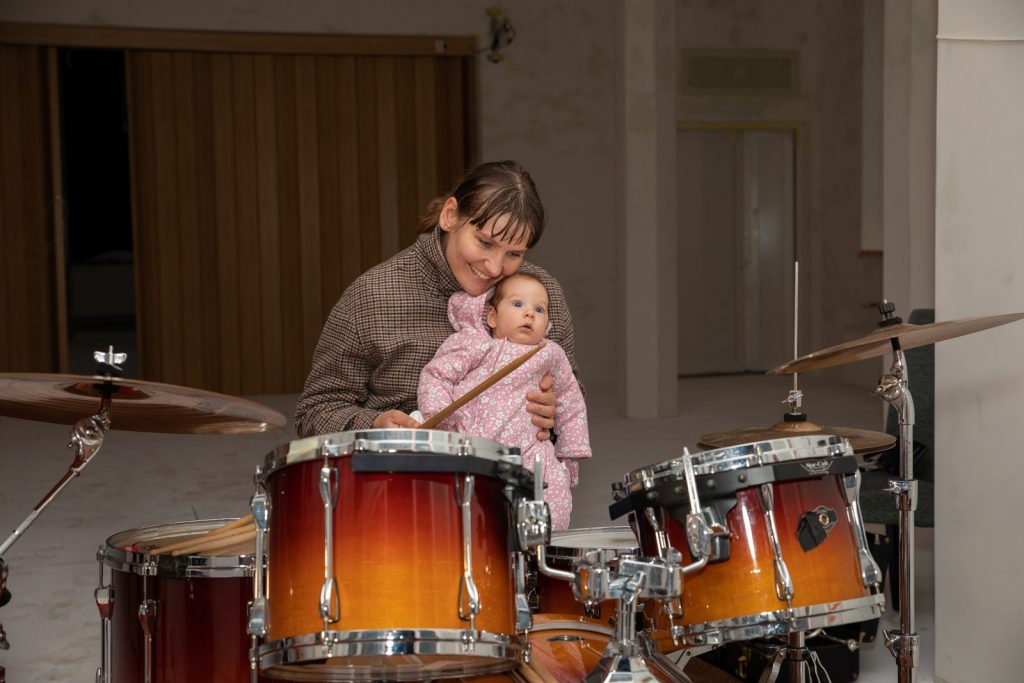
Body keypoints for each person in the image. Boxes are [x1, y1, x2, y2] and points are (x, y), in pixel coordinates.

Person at [294, 161, 583, 444]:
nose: (495, 268)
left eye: (514, 254)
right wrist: (373, 424)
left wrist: (553, 412)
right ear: (450, 215)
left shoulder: (540, 297)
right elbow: (315, 411)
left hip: (509, 467)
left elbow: (570, 398)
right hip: (400, 467)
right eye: (485, 243)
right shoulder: (372, 296)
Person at [417, 272, 591, 529]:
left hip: (529, 449)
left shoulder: (550, 353)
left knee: (553, 496)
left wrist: (570, 452)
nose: (529, 313)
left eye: (539, 309)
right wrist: (439, 413)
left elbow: (570, 401)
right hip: (471, 444)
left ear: (548, 325)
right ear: (492, 316)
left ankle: (545, 543)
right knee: (466, 511)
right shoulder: (472, 344)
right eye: (518, 304)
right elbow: (437, 374)